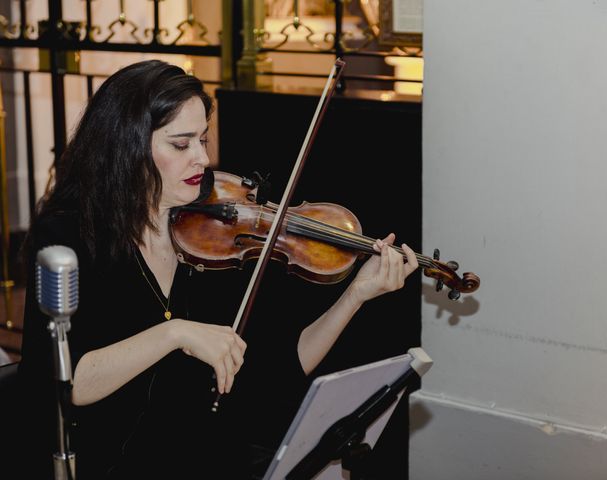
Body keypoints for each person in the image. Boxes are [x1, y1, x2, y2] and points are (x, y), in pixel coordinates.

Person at [16, 59, 418, 479]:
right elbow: (66, 382)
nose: (203, 159)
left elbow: (279, 367)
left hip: (203, 459)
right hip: (104, 464)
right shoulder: (69, 235)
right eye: (181, 143)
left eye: (203, 140)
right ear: (128, 145)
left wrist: (355, 296)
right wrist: (174, 333)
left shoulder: (212, 238)